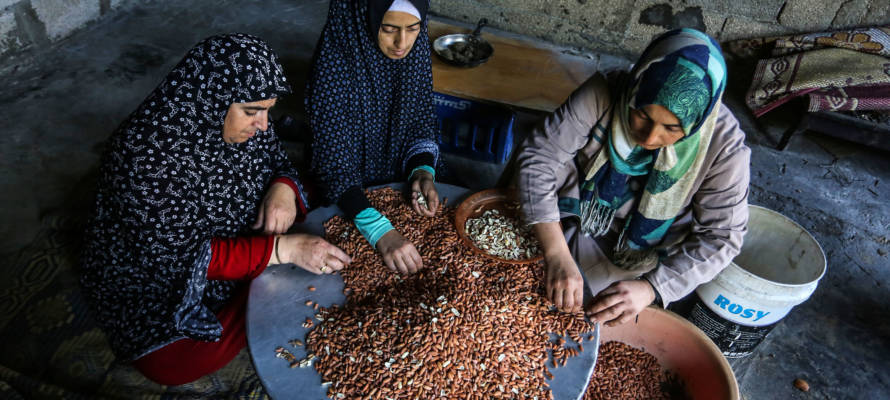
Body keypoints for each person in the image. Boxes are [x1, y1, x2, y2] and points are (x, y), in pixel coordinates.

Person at [79, 33, 351, 386]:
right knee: (172, 362)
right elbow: (181, 257)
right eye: (252, 112)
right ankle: (261, 288)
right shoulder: (142, 159)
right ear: (209, 99)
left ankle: (262, 275)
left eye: (268, 110)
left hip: (235, 229)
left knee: (311, 189)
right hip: (161, 275)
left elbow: (277, 161)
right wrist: (283, 249)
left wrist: (282, 188)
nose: (264, 125)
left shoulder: (247, 119)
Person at [516, 29, 750, 326]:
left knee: (594, 309)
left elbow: (723, 237)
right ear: (638, 87)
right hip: (578, 206)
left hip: (640, 248)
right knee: (521, 259)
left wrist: (651, 288)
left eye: (672, 129)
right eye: (643, 116)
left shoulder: (725, 147)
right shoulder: (608, 89)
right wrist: (556, 251)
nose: (651, 137)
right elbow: (539, 157)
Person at [306, 0, 440, 275]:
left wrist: (422, 169)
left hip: (397, 183)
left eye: (413, 29)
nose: (401, 42)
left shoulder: (414, 53)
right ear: (366, 20)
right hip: (346, 194)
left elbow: (421, 118)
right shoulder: (337, 60)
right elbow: (332, 160)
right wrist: (378, 229)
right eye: (389, 29)